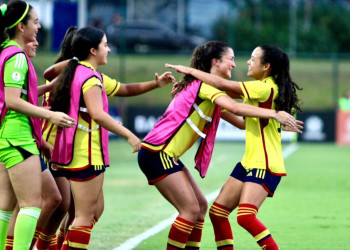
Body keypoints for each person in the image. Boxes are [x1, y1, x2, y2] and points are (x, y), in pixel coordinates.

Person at [138, 41, 299, 250]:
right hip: (159, 153)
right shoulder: (206, 87)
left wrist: (273, 120)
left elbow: (238, 116)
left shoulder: (257, 88)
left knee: (214, 210)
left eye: (252, 58)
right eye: (231, 59)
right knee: (199, 211)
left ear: (266, 66)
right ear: (216, 62)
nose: (237, 64)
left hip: (261, 163)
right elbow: (234, 107)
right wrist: (273, 115)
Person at [41, 25, 177, 249]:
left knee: (90, 211)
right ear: (92, 51)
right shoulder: (90, 78)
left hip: (69, 151)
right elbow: (99, 115)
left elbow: (122, 89)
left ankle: (57, 244)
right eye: (105, 45)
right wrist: (129, 135)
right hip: (86, 153)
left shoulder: (75, 72)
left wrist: (155, 83)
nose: (109, 49)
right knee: (84, 216)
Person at [0, 1, 75, 249]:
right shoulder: (18, 57)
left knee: (5, 208)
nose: (39, 26)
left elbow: (14, 96)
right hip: (17, 137)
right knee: (32, 204)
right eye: (35, 22)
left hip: (7, 136)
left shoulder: (5, 51)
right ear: (21, 27)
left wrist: (48, 89)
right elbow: (12, 101)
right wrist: (50, 116)